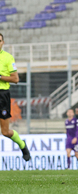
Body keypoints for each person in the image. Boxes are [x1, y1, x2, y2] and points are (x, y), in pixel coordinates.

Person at [0, 33, 30, 161]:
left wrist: (0, 77)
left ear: (3, 42)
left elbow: (15, 79)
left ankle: (22, 145)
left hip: (2, 95)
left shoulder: (8, 58)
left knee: (5, 132)